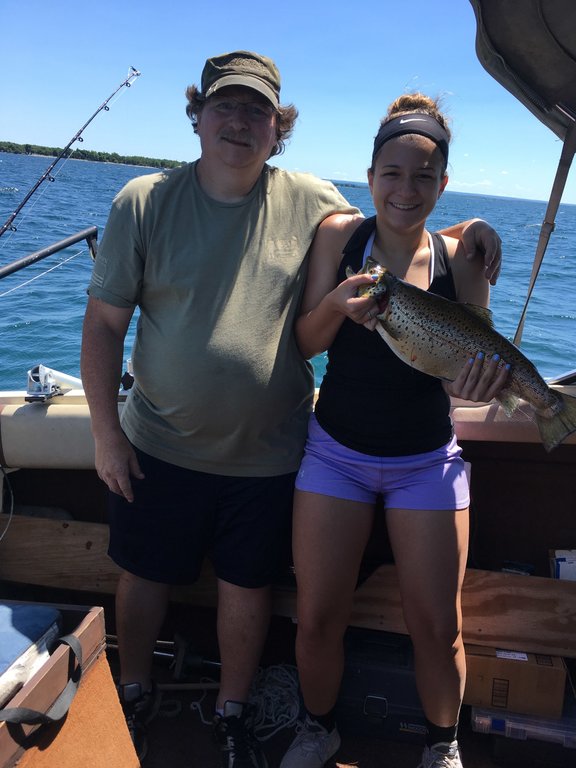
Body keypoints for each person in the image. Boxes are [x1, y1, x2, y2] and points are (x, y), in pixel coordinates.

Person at [81, 48, 503, 768]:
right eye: (225, 105)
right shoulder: (149, 200)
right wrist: (104, 433)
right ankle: (143, 690)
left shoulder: (313, 200)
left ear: (279, 128)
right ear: (197, 115)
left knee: (268, 591)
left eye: (257, 111)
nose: (239, 122)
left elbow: (405, 224)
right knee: (158, 578)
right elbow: (105, 325)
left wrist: (470, 232)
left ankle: (261, 715)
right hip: (182, 440)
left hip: (294, 453)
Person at [279, 93, 511, 768]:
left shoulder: (462, 260)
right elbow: (303, 344)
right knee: (317, 618)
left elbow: (459, 375)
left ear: (443, 184)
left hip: (425, 461)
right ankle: (318, 728)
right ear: (370, 175)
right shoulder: (338, 237)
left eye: (423, 177)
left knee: (439, 628)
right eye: (392, 173)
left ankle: (443, 746)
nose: (405, 190)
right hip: (336, 454)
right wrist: (334, 305)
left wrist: (476, 386)